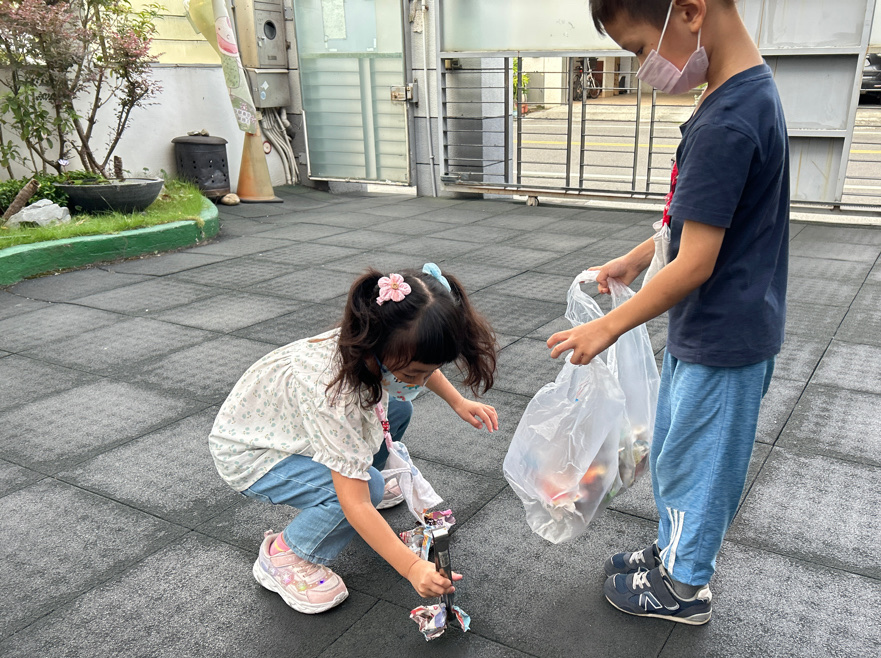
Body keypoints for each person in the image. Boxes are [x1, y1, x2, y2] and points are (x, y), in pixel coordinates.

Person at [548, 0, 789, 624]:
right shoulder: (734, 98)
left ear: (689, 12)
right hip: (710, 328)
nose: (641, 68)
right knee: (678, 451)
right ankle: (673, 551)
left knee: (700, 463)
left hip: (725, 336)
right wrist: (637, 258)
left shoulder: (728, 123)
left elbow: (696, 262)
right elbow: (693, 223)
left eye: (637, 49)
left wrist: (608, 327)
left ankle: (685, 586)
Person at [209, 265, 499, 614]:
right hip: (252, 455)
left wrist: (458, 401)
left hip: (287, 430)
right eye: (412, 374)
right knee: (365, 492)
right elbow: (356, 503)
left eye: (428, 372)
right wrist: (411, 567)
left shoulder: (376, 337)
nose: (420, 382)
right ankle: (285, 554)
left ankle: (360, 478)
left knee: (398, 410)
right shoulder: (335, 394)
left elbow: (419, 363)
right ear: (376, 347)